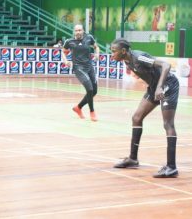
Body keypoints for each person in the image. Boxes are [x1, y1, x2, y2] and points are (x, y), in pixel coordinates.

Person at [111, 38, 179, 178]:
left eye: (114, 51)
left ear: (123, 51)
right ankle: (132, 159)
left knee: (168, 124)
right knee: (136, 118)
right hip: (154, 88)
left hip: (168, 86)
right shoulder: (127, 60)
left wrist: (159, 86)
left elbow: (166, 65)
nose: (112, 54)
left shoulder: (139, 57)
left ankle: (171, 167)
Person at [61, 24, 100, 121]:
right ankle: (92, 112)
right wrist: (65, 61)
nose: (78, 32)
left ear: (83, 31)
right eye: (76, 30)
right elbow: (63, 52)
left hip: (89, 67)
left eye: (80, 30)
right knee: (90, 89)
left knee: (94, 91)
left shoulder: (89, 38)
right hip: (78, 68)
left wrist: (97, 54)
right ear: (74, 31)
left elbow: (96, 47)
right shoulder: (69, 42)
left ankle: (78, 108)